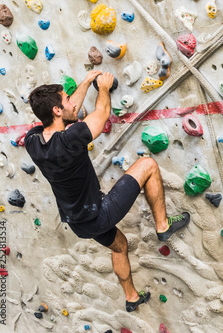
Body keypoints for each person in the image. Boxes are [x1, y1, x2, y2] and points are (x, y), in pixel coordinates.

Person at [25, 71, 190, 312]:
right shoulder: (70, 139)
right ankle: (163, 225)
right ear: (57, 111)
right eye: (67, 98)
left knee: (120, 245)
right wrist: (102, 87)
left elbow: (67, 115)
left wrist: (83, 83)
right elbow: (100, 115)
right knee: (148, 166)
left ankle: (132, 297)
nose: (72, 102)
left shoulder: (33, 142)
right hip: (98, 214)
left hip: (78, 223)